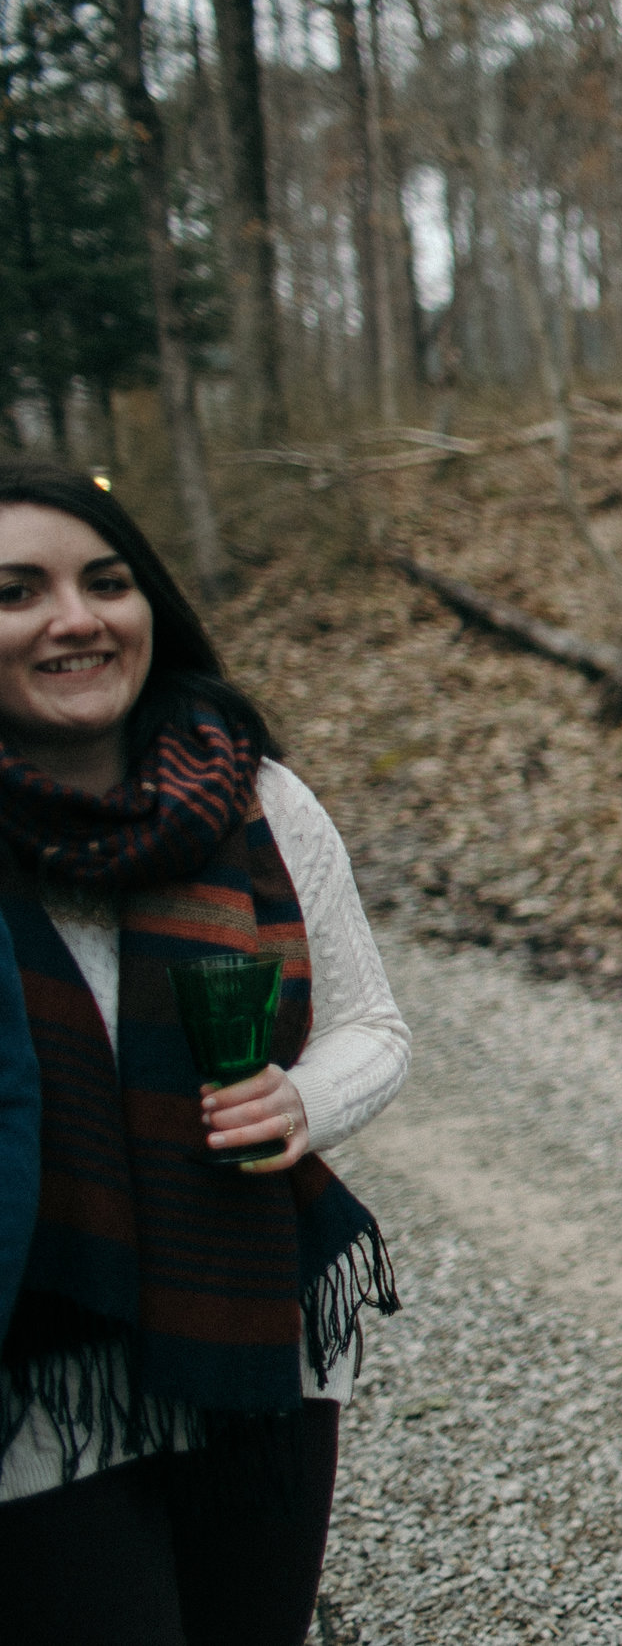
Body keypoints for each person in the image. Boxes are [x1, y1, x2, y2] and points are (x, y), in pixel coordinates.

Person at [0, 460, 410, 1645]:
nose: (75, 617)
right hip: (38, 1376)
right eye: (17, 590)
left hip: (255, 1351)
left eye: (106, 580)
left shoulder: (257, 798)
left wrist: (299, 1099)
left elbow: (372, 1027)